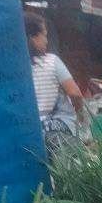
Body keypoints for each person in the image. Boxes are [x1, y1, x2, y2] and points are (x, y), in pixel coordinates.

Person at [24, 11, 85, 156]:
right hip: (51, 132)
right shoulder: (51, 61)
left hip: (27, 132)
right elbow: (75, 93)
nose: (46, 40)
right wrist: (80, 113)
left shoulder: (16, 65)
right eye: (44, 35)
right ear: (32, 37)